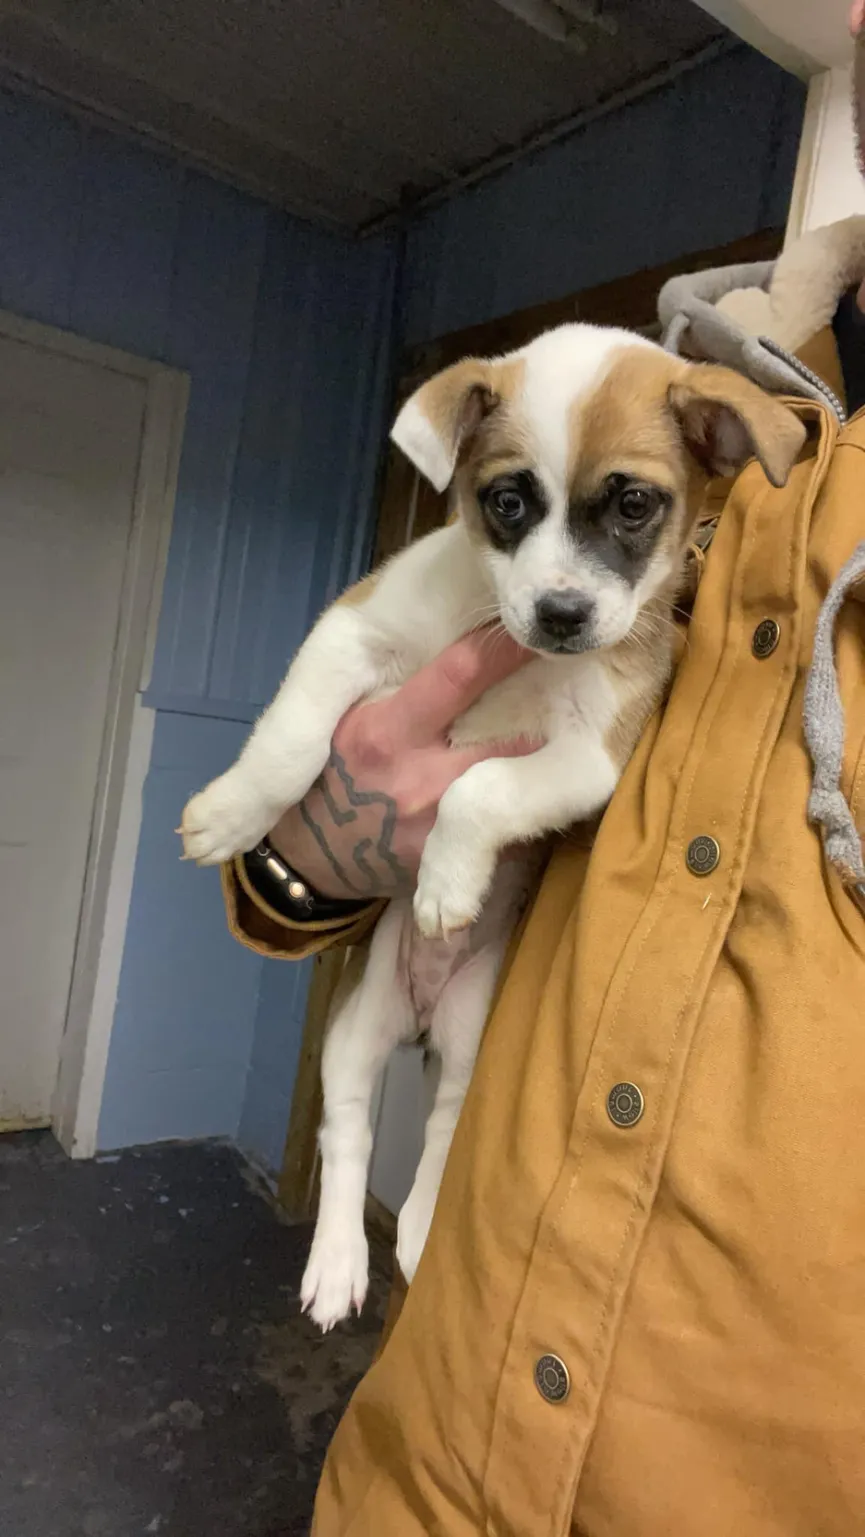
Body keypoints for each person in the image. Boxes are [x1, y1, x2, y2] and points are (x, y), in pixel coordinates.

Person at [222, 14, 865, 1532]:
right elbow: (303, 875)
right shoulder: (679, 406)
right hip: (430, 1458)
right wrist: (305, 842)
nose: (559, 577)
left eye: (620, 521)